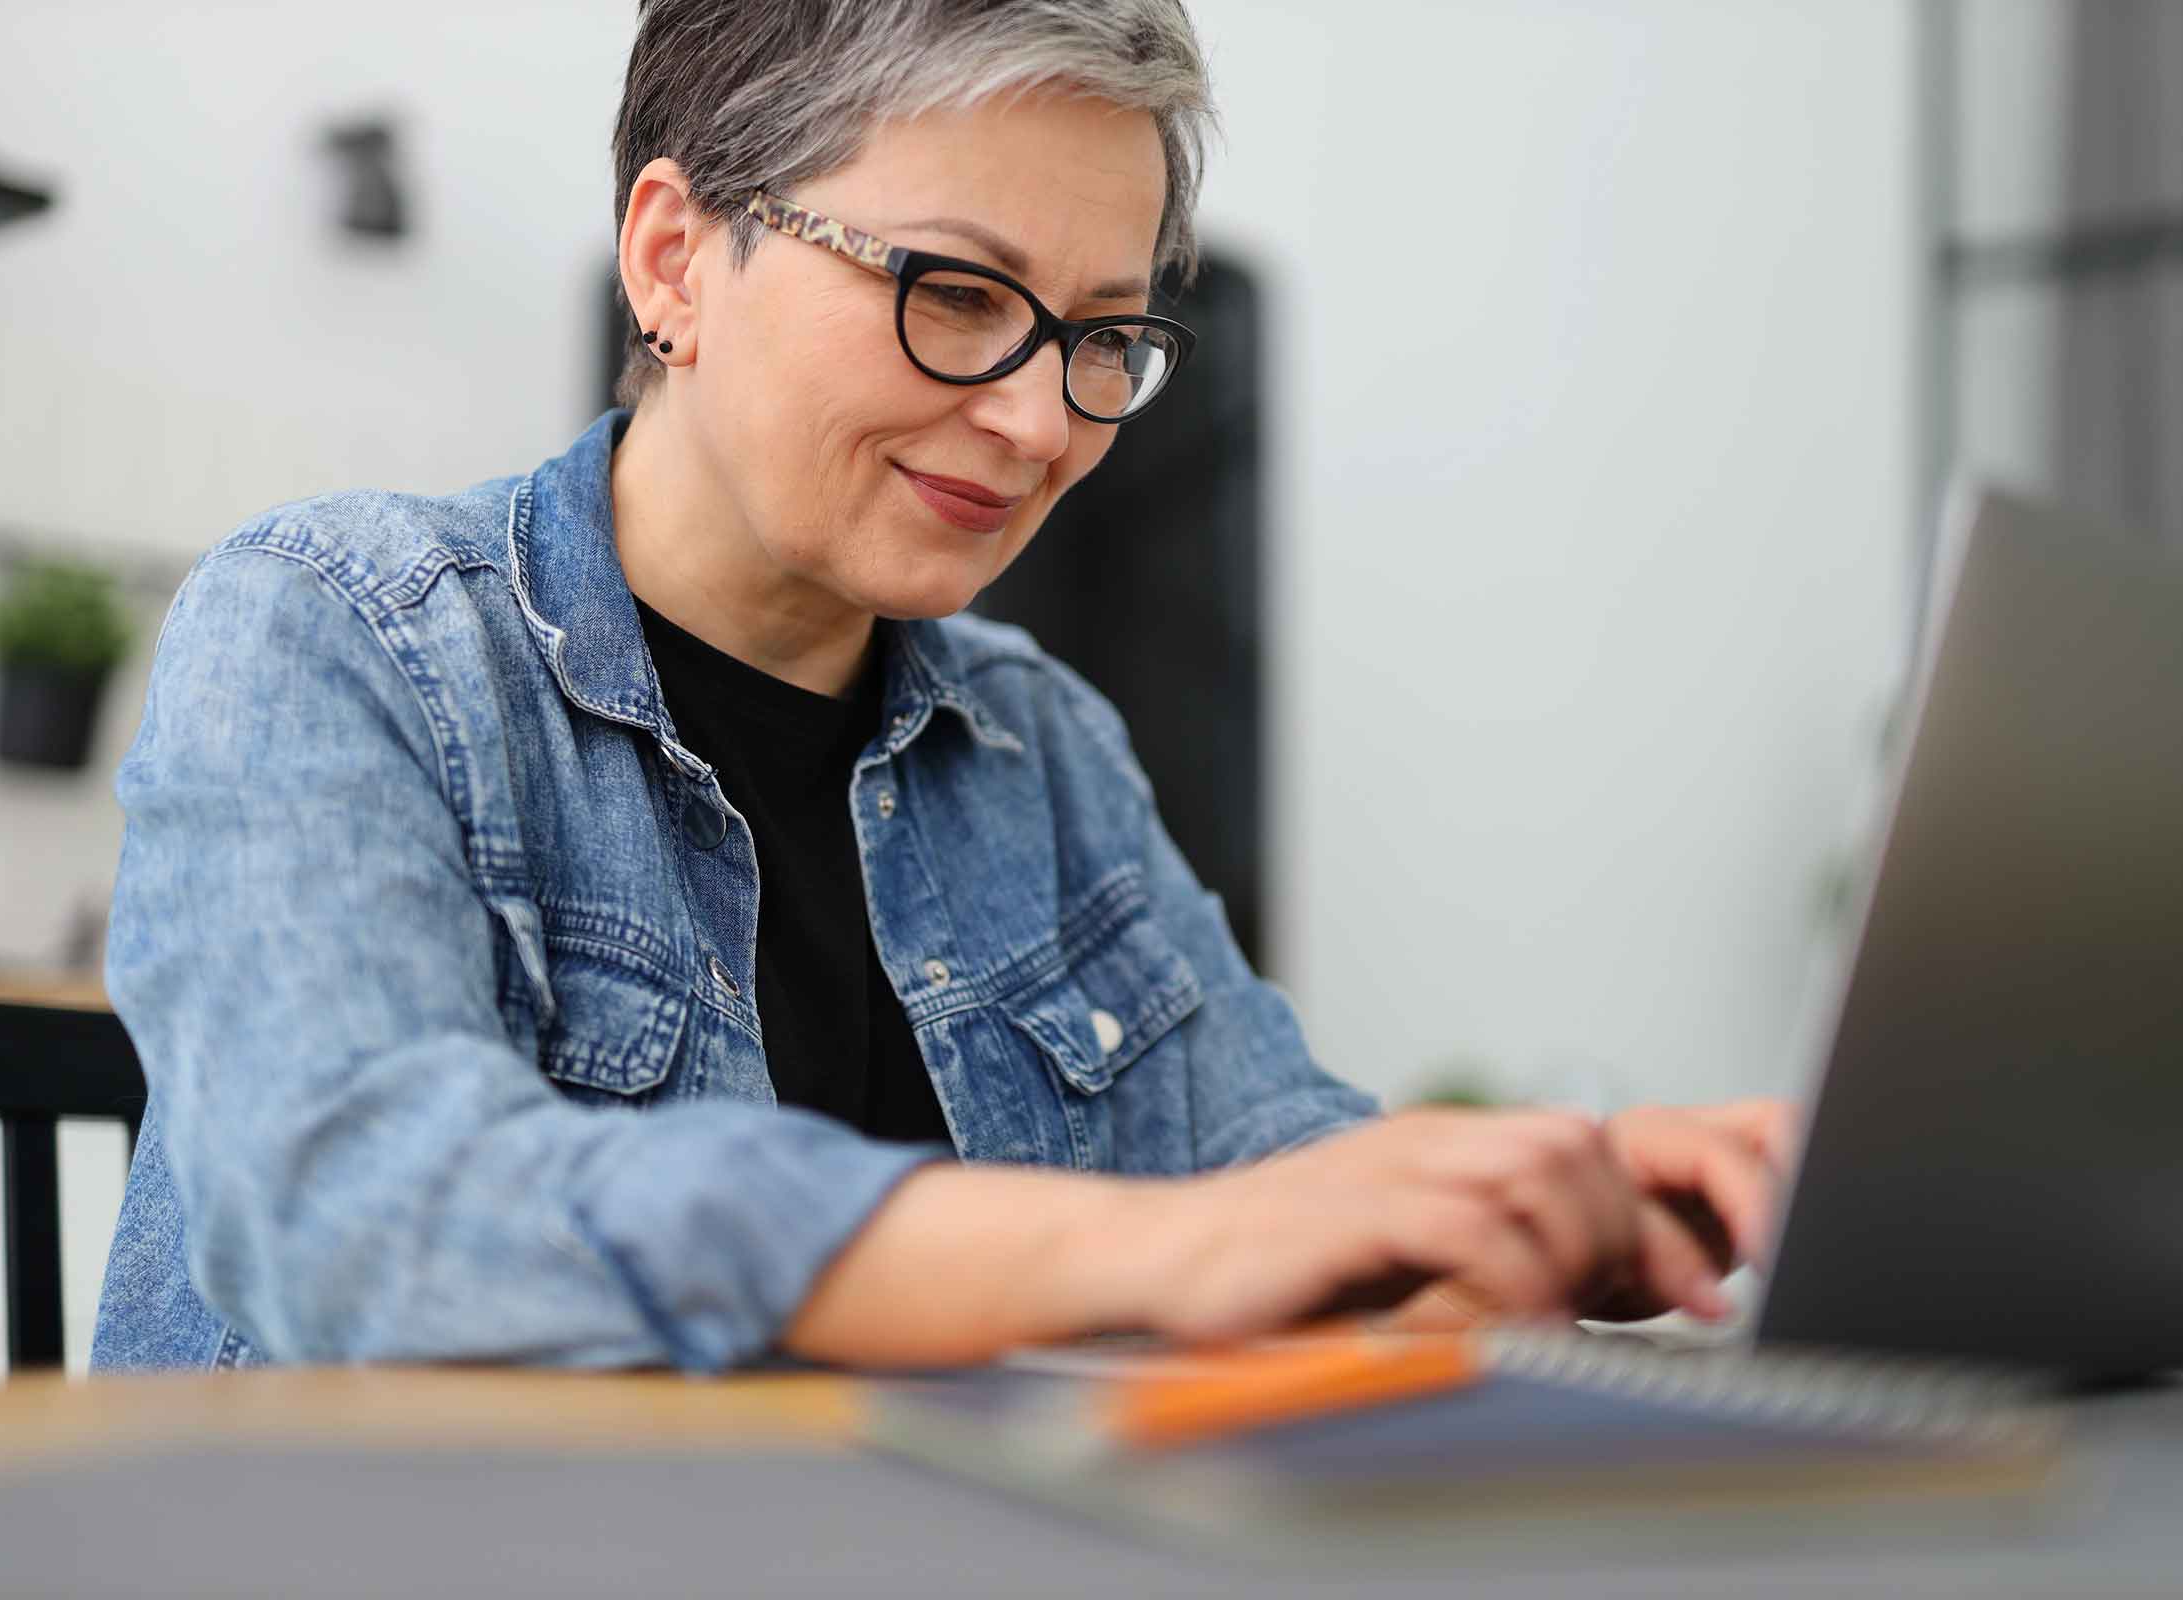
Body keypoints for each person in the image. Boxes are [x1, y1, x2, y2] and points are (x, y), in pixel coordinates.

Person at [92, 0, 1789, 1374]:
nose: (1044, 422)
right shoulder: (336, 632)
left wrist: (1549, 1201)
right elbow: (359, 1215)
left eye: (1103, 335)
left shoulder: (1037, 742)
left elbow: (1278, 1177)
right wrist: (1159, 1249)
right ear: (676, 259)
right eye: (955, 295)